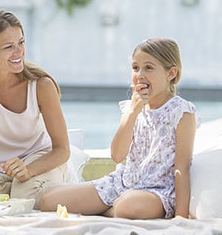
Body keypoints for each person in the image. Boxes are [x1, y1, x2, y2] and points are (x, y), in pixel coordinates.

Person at [40, 37, 198, 219]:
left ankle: (105, 210)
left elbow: (182, 168)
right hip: (123, 184)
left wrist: (181, 216)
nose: (140, 74)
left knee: (127, 206)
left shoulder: (182, 112)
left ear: (170, 73)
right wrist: (132, 112)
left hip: (157, 193)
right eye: (135, 67)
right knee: (48, 201)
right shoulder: (131, 107)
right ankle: (109, 211)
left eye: (149, 67)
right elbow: (117, 156)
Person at [0, 10, 70, 208]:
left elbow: (62, 150)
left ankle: (68, 188)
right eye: (9, 47)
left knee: (24, 193)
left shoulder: (41, 86)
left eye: (21, 42)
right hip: (1, 170)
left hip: (41, 159)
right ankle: (19, 190)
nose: (19, 52)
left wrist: (28, 169)